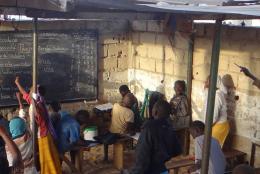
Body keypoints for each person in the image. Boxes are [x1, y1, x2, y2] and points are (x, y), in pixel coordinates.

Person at [15, 76, 61, 174]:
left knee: (46, 159)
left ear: (36, 93)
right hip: (40, 134)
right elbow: (24, 94)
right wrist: (17, 83)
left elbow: (37, 119)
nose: (29, 91)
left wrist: (31, 136)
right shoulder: (34, 102)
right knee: (43, 158)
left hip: (42, 135)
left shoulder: (38, 105)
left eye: (31, 90)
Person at [130, 100, 182, 174]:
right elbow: (177, 150)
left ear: (155, 112)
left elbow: (142, 155)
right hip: (163, 169)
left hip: (150, 170)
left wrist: (135, 172)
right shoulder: (170, 127)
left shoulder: (149, 128)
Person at [202, 76, 230, 147]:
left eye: (207, 81)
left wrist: (205, 127)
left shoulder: (217, 96)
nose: (205, 83)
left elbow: (214, 116)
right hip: (214, 124)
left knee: (211, 149)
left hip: (218, 126)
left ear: (214, 83)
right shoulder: (212, 93)